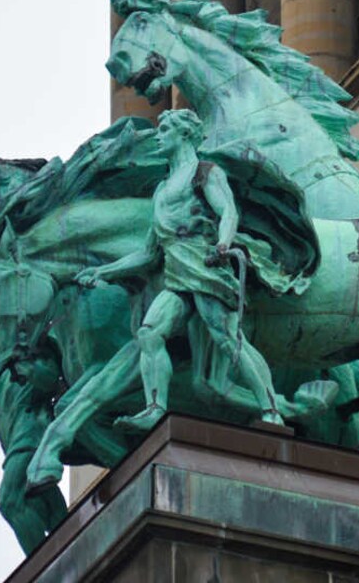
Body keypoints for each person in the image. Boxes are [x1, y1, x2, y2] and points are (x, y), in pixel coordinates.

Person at [76, 109, 314, 432]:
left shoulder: (205, 173)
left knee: (229, 340)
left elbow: (227, 210)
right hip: (177, 278)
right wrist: (105, 272)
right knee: (149, 333)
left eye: (165, 130)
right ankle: (156, 409)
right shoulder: (161, 192)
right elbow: (148, 253)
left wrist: (223, 243)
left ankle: (271, 409)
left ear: (184, 135)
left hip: (206, 268)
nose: (158, 136)